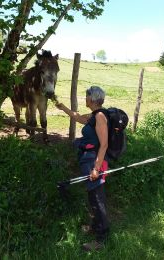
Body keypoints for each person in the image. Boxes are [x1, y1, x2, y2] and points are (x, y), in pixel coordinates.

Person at [55, 86, 109, 251]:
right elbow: (77, 117)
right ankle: (95, 227)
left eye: (86, 97)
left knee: (97, 199)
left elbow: (104, 144)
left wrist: (96, 168)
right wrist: (62, 107)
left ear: (92, 99)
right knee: (92, 197)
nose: (85, 99)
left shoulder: (100, 117)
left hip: (95, 162)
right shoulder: (93, 116)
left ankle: (102, 239)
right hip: (89, 160)